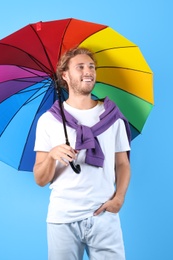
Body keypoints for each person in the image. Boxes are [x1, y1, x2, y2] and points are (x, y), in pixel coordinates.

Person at [33, 47, 131, 260]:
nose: (88, 71)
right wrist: (51, 155)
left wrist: (119, 198)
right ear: (65, 76)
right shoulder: (48, 121)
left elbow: (122, 164)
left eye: (91, 67)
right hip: (63, 218)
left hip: (104, 216)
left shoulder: (112, 117)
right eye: (80, 67)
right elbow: (40, 179)